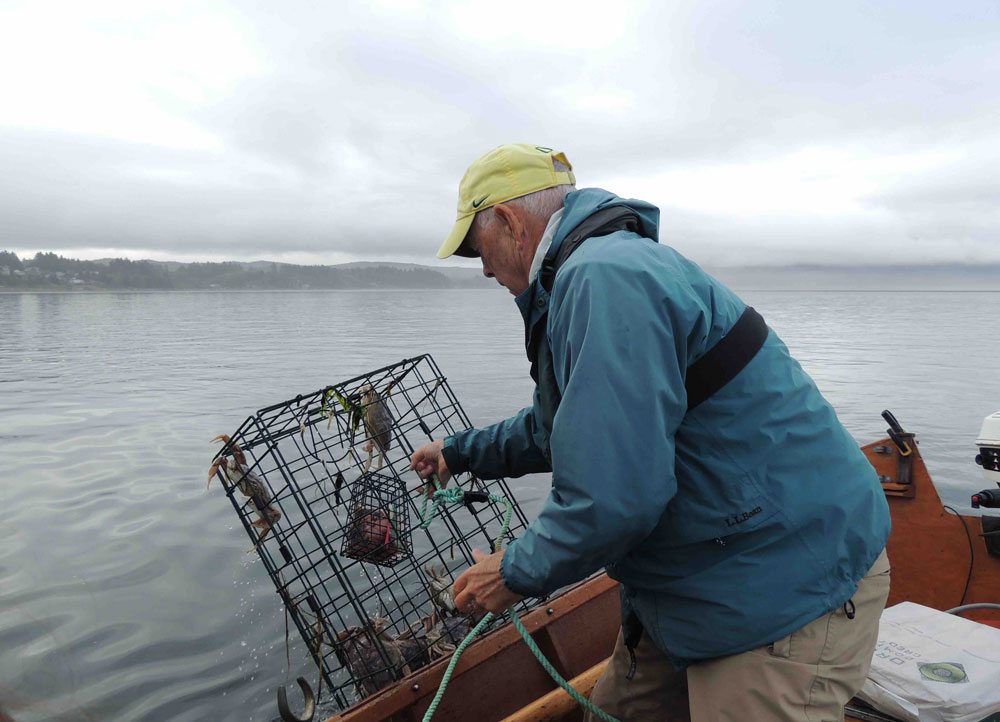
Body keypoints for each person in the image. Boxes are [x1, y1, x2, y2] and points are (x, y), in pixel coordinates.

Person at [410, 144, 891, 722]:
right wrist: (457, 453)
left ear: (510, 222)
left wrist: (512, 572)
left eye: (475, 247)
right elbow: (553, 427)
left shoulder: (605, 278)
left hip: (783, 583)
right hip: (690, 583)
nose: (482, 267)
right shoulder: (582, 279)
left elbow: (617, 497)